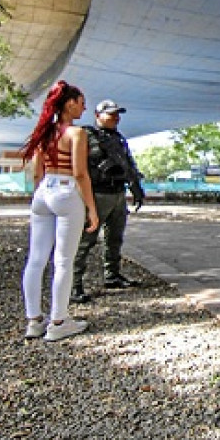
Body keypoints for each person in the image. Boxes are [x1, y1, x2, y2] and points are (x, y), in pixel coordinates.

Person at [20, 80, 99, 342]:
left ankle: (34, 320)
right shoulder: (76, 134)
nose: (84, 108)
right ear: (69, 103)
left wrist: (39, 194)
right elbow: (80, 173)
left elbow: (37, 171)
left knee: (36, 259)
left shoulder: (45, 132)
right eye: (81, 103)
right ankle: (59, 321)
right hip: (66, 191)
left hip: (44, 191)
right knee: (64, 260)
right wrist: (91, 208)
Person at [70, 99, 146, 303]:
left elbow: (128, 164)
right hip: (97, 194)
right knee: (86, 240)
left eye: (117, 114)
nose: (115, 118)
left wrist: (136, 187)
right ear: (98, 115)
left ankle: (112, 275)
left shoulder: (118, 139)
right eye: (111, 114)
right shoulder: (87, 135)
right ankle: (74, 284)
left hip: (118, 193)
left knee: (115, 238)